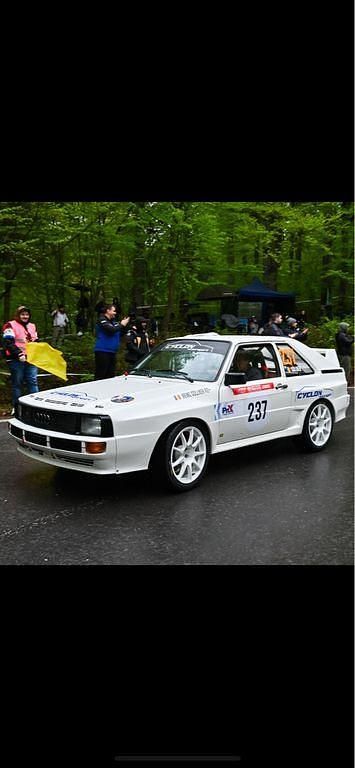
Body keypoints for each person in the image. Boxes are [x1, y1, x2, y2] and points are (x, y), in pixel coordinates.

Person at [2, 305, 39, 409]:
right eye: (22, 314)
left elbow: (36, 341)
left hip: (31, 358)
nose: (25, 316)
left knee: (33, 381)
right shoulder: (10, 325)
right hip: (16, 359)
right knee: (17, 383)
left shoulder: (32, 326)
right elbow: (8, 342)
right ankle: (17, 407)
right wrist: (19, 353)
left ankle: (36, 406)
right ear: (18, 315)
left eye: (27, 314)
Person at [94, 304, 130, 380]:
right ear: (108, 311)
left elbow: (122, 333)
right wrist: (121, 324)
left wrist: (125, 325)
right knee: (101, 374)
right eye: (114, 311)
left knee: (111, 375)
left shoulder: (114, 323)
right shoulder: (101, 320)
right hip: (102, 351)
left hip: (112, 352)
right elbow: (111, 330)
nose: (115, 313)